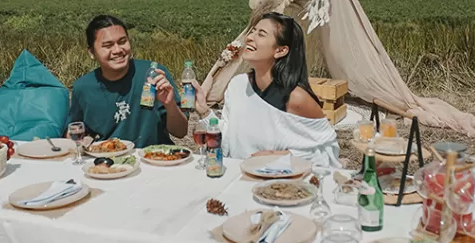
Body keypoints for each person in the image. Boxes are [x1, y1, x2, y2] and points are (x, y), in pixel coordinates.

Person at [193, 12, 340, 167]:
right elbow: (230, 140)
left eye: (261, 34)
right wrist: (204, 112)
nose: (250, 37)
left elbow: (328, 151)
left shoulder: (296, 98)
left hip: (277, 185)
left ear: (280, 51)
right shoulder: (237, 85)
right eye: (253, 31)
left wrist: (281, 156)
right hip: (238, 178)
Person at [68, 15, 188, 148]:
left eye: (122, 42)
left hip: (154, 158)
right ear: (91, 52)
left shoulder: (153, 74)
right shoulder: (83, 87)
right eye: (108, 45)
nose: (117, 50)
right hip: (109, 162)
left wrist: (169, 104)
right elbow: (74, 132)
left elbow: (181, 132)